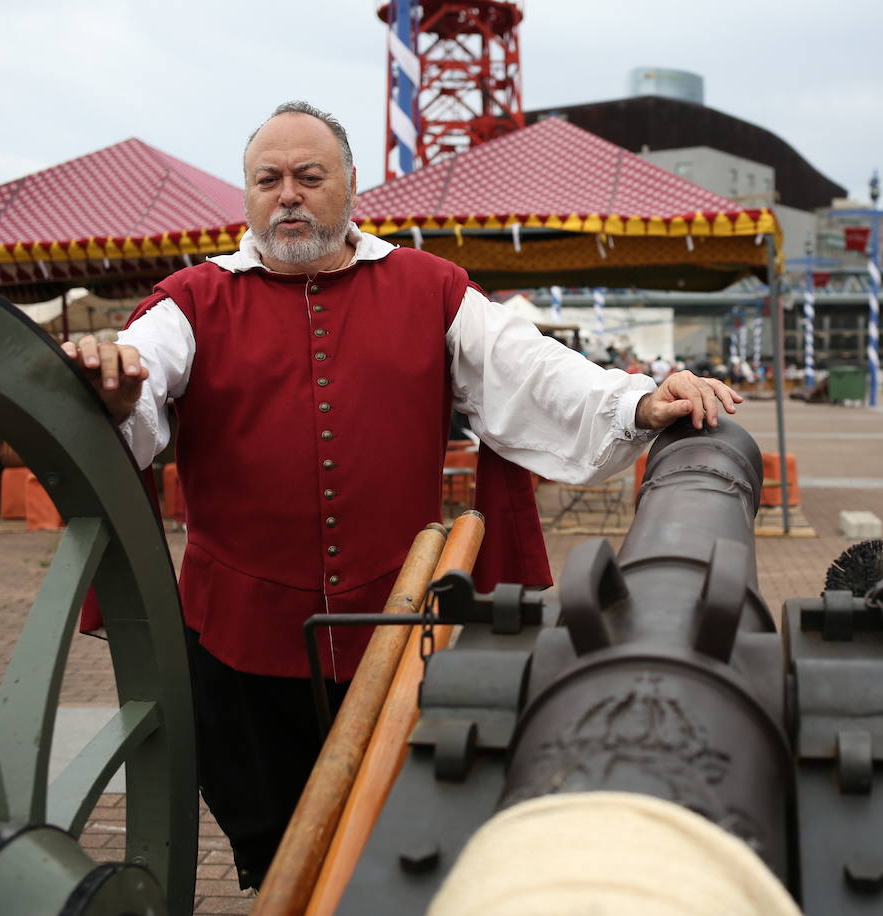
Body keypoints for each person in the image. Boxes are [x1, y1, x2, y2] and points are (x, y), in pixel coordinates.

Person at [61, 100, 741, 889]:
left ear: (351, 184)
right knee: (277, 849)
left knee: (396, 838)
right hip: (240, 637)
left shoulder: (430, 286)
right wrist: (116, 389)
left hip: (400, 625)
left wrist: (640, 399)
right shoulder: (190, 300)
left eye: (309, 176)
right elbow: (139, 382)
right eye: (268, 180)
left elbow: (532, 372)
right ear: (247, 194)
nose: (288, 195)